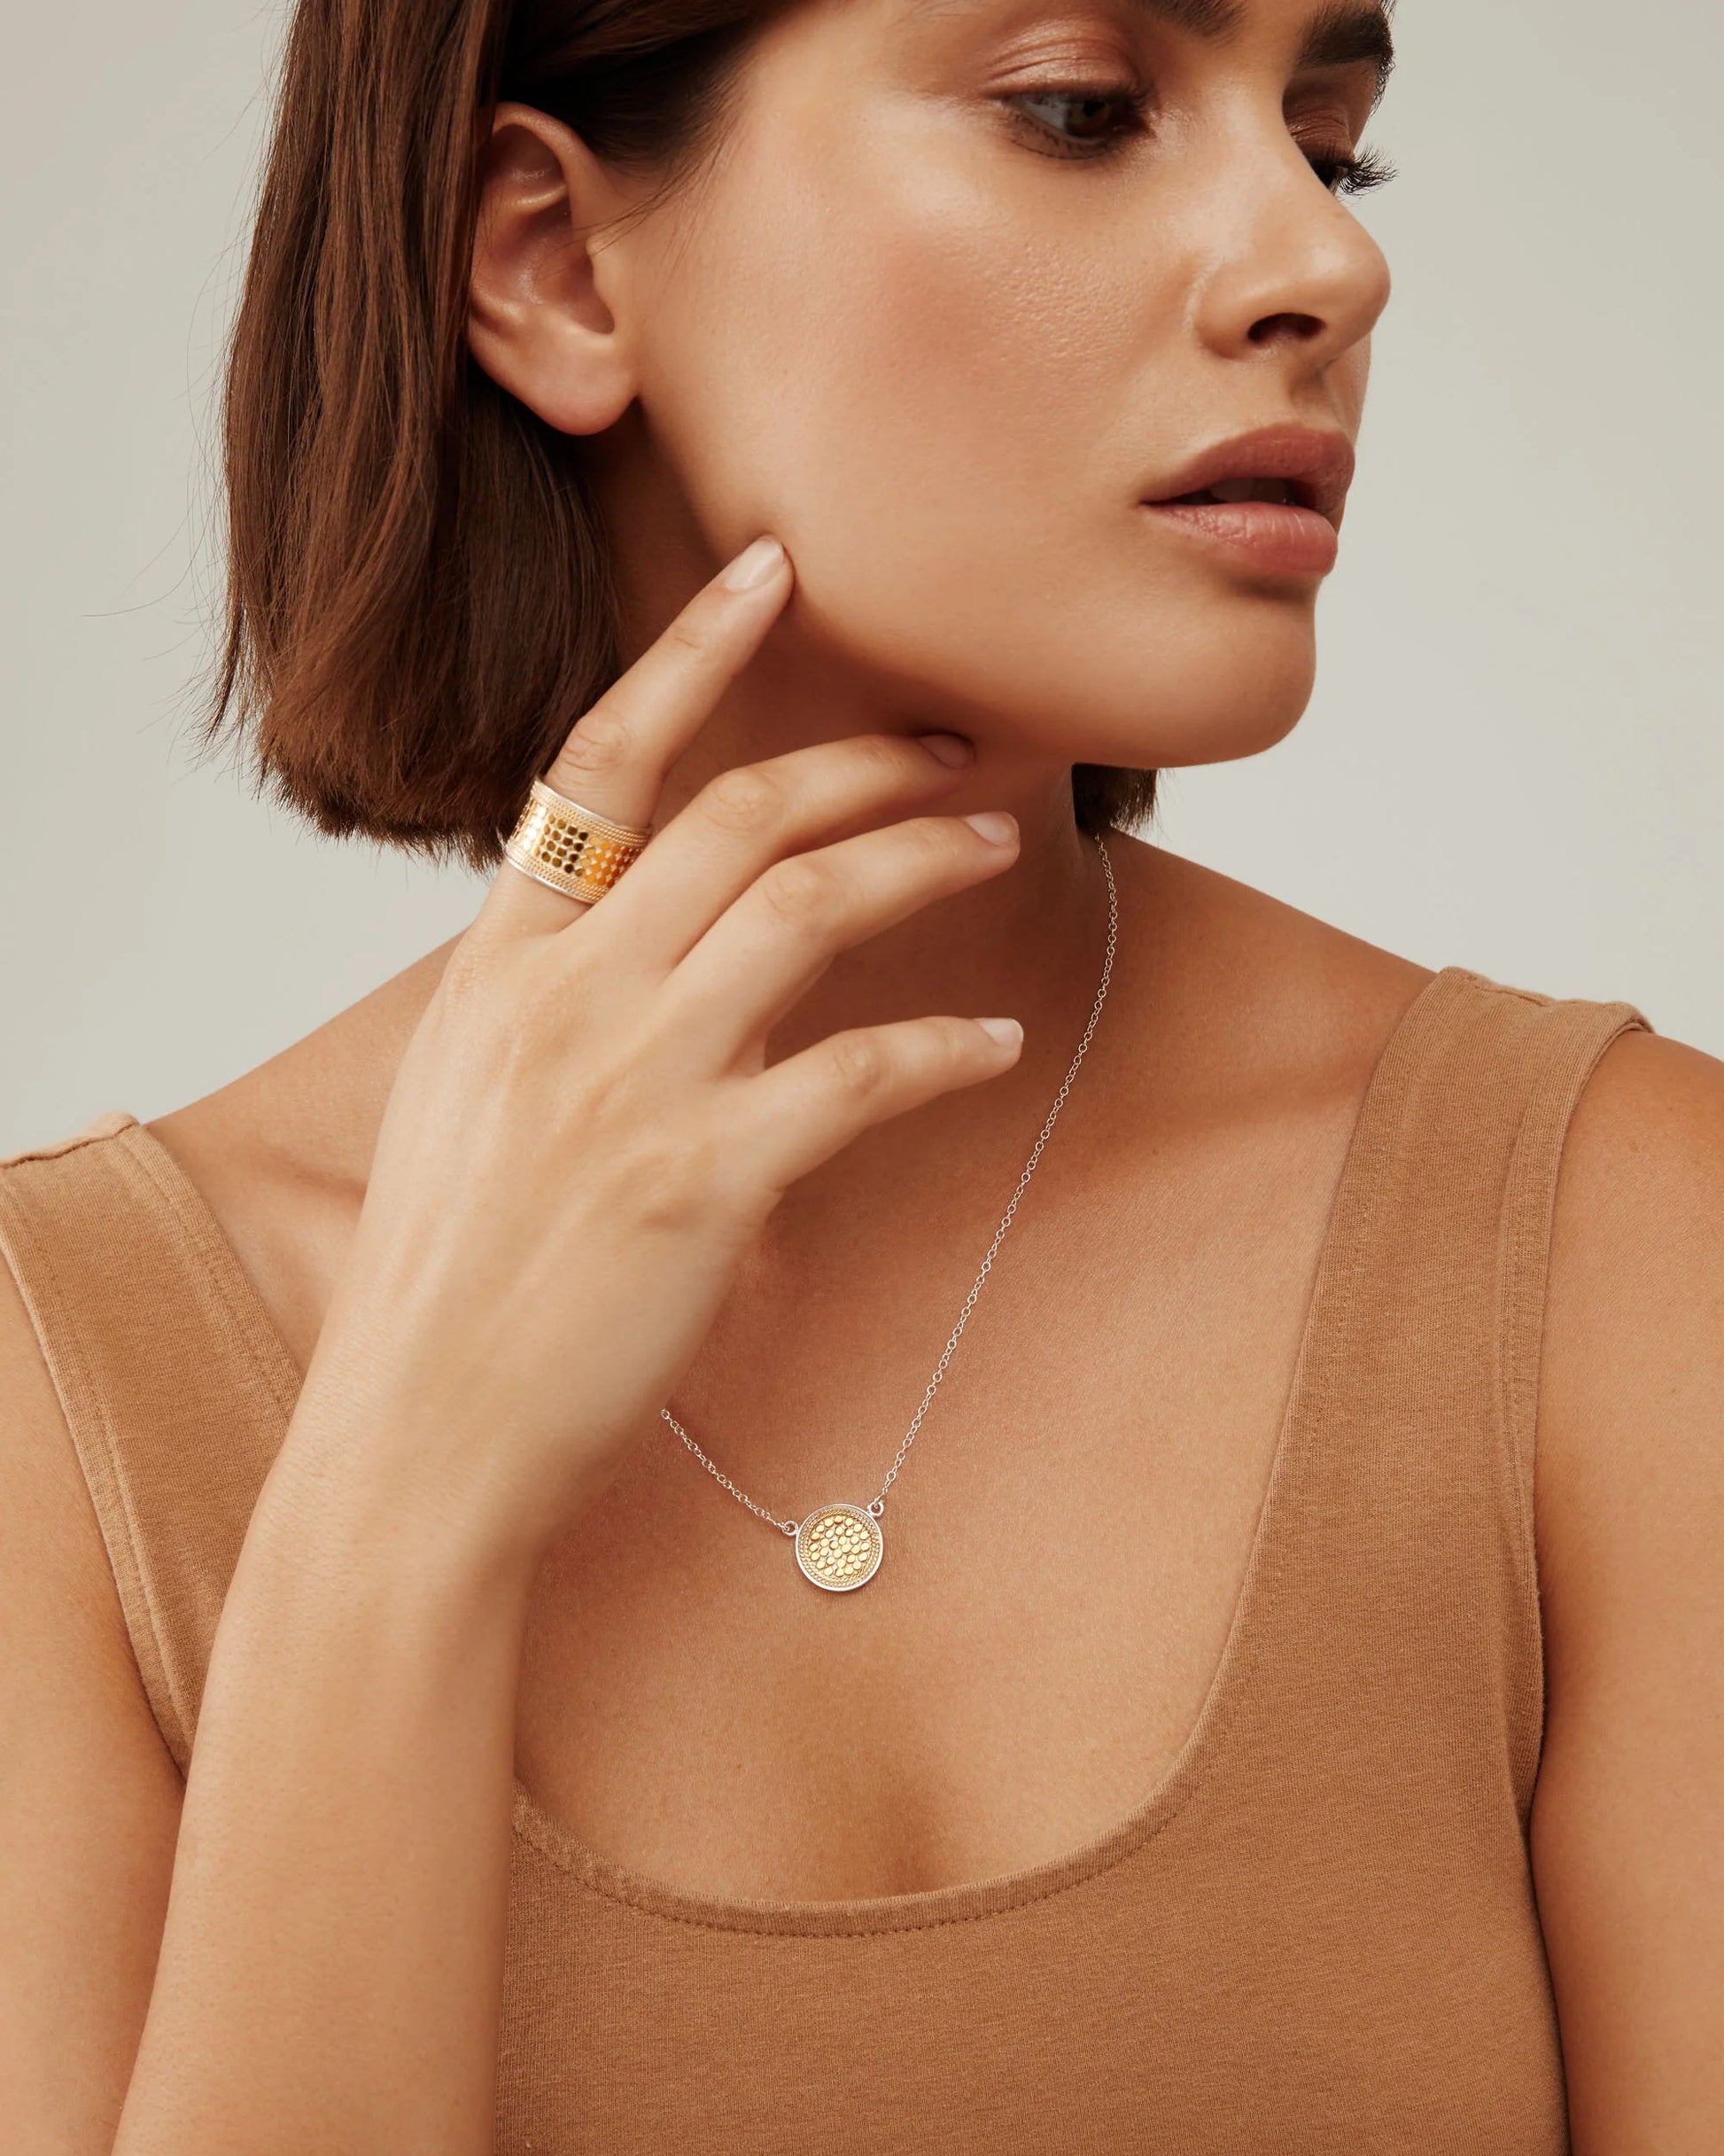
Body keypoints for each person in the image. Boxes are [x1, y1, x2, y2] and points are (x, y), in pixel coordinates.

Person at [2, 0, 1720, 2145]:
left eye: (1327, 137)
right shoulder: (56, 1403)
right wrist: (400, 1487)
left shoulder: (1621, 1250)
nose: (1325, 264)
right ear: (552, 261)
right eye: (1083, 111)